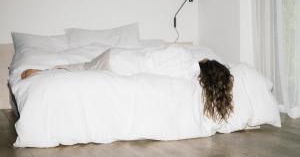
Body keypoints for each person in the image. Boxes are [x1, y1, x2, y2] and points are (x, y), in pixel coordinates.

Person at [20, 52, 234, 123]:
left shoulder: (184, 58)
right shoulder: (190, 75)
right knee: (83, 69)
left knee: (83, 67)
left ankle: (45, 71)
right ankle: (45, 72)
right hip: (122, 65)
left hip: (121, 58)